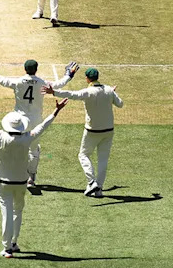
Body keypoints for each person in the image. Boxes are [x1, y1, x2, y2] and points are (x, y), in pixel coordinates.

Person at [0, 94, 67, 258]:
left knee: (7, 214)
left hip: (3, 183)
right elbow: (43, 126)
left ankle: (7, 248)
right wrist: (56, 111)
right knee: (18, 212)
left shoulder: (1, 136)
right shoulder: (27, 138)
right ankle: (14, 242)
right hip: (21, 182)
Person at [0, 57, 80, 187]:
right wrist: (69, 74)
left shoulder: (18, 82)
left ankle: (14, 173)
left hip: (19, 122)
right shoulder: (43, 83)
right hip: (36, 120)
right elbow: (60, 84)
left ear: (25, 69)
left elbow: (0, 80)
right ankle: (31, 178)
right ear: (36, 70)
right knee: (34, 149)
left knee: (15, 146)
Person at [43, 68, 123, 198]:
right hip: (108, 131)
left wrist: (54, 92)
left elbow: (71, 94)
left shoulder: (88, 92)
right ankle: (99, 190)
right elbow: (120, 104)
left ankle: (91, 182)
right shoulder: (108, 90)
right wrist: (112, 95)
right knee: (103, 160)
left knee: (83, 155)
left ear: (87, 79)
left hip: (92, 131)